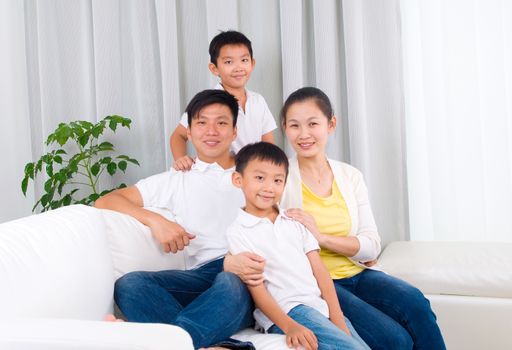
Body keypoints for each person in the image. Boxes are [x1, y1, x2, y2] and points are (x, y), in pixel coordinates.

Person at [95, 89, 266, 350]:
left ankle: (158, 342)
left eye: (221, 123)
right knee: (130, 285)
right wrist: (156, 221)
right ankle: (216, 345)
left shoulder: (256, 172)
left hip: (244, 272)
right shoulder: (176, 178)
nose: (211, 131)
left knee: (229, 282)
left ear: (234, 131)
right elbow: (106, 201)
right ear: (188, 130)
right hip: (201, 275)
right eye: (201, 122)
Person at [279, 87, 446, 350]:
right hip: (319, 283)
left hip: (358, 272)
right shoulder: (280, 178)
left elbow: (371, 244)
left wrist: (321, 237)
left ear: (331, 124)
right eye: (294, 126)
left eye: (313, 124)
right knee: (395, 340)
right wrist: (351, 244)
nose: (304, 134)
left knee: (416, 302)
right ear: (284, 128)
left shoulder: (350, 176)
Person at [226, 142, 370, 350]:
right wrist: (289, 326)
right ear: (238, 179)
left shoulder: (294, 220)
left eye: (277, 180)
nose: (269, 187)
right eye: (259, 178)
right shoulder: (239, 231)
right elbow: (256, 288)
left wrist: (337, 317)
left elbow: (320, 271)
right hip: (289, 311)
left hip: (319, 308)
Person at [170, 30, 277, 171]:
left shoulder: (258, 101)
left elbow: (268, 143)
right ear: (214, 69)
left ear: (252, 63)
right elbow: (178, 135)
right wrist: (181, 159)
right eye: (228, 62)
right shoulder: (208, 103)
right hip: (220, 173)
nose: (238, 68)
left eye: (244, 60)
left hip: (253, 174)